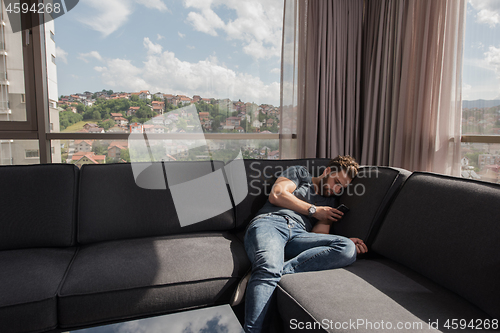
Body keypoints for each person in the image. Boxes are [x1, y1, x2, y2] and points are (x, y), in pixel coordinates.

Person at [236, 156, 368, 333]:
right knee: (268, 265)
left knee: (347, 248)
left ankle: (266, 271)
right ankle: (266, 272)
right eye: (336, 182)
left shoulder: (330, 203)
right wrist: (314, 210)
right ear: (327, 171)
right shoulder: (300, 173)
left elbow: (316, 238)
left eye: (341, 188)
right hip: (271, 223)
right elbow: (277, 195)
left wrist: (341, 241)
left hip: (300, 236)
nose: (336, 189)